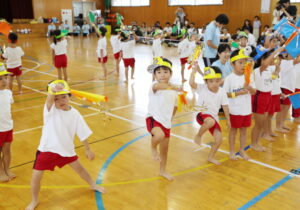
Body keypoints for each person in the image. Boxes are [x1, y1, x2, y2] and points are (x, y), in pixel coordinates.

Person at [25, 80, 106, 210]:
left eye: (64, 97)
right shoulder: (50, 110)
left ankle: (92, 184)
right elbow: (49, 99)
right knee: (36, 177)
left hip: (66, 149)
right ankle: (34, 200)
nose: (61, 101)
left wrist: (88, 149)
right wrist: (53, 90)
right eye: (57, 99)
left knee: (80, 169)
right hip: (47, 149)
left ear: (69, 96)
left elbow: (82, 131)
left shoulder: (75, 114)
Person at [146, 57, 182, 181]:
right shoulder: (154, 86)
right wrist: (172, 87)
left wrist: (170, 119)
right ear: (155, 75)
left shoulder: (173, 91)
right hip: (153, 118)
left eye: (166, 72)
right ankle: (152, 148)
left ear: (171, 74)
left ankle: (163, 171)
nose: (162, 74)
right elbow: (160, 86)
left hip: (166, 122)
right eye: (159, 72)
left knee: (165, 150)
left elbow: (175, 106)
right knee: (159, 135)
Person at [189, 64, 230, 165]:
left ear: (220, 80)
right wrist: (194, 72)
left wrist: (228, 120)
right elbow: (191, 83)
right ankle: (198, 135)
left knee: (219, 139)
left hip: (213, 118)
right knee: (210, 121)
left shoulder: (222, 92)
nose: (214, 84)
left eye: (217, 80)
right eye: (211, 81)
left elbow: (225, 106)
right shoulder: (202, 88)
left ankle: (210, 157)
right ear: (206, 81)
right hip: (202, 114)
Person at [224, 49, 256, 160]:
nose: (243, 65)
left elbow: (254, 92)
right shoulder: (229, 79)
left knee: (243, 131)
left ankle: (242, 150)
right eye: (240, 63)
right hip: (234, 110)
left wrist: (249, 87)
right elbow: (225, 95)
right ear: (232, 64)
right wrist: (237, 93)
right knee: (233, 132)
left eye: (244, 62)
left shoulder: (249, 76)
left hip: (246, 110)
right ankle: (232, 151)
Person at [250, 47, 284, 151]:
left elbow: (271, 79)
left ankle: (257, 142)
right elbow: (264, 64)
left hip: (268, 96)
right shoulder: (257, 70)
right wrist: (276, 51)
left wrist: (277, 71)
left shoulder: (268, 70)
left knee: (263, 122)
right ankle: (253, 144)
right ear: (260, 60)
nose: (270, 60)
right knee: (258, 124)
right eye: (266, 58)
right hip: (259, 97)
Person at [0, 63, 16, 182]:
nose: (4, 81)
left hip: (8, 127)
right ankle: (0, 172)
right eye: (0, 79)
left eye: (5, 77)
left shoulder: (8, 93)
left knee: (7, 151)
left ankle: (7, 169)